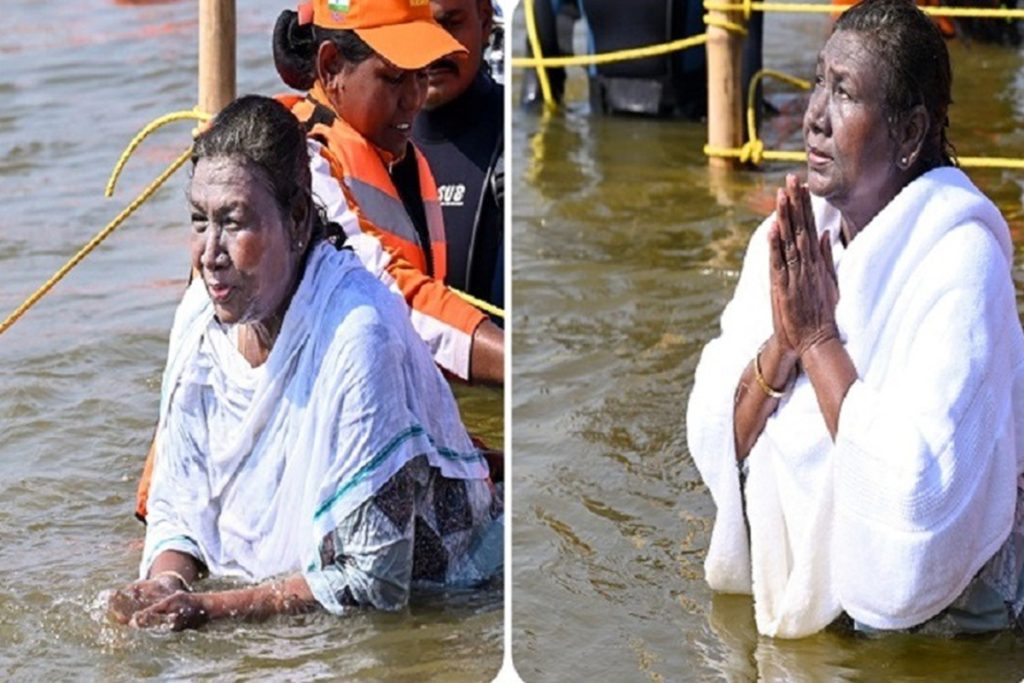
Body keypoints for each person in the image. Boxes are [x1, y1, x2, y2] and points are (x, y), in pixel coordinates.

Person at [687, 0, 1024, 639]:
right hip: (813, 607)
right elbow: (714, 438)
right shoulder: (789, 239)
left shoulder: (962, 262)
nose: (814, 116)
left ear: (908, 133)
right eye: (818, 81)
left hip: (951, 622)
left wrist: (818, 342)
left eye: (844, 94)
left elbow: (919, 503)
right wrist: (782, 348)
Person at [108, 95, 502, 631]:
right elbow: (178, 505)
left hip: (461, 598)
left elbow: (375, 583)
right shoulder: (201, 314)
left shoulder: (358, 334)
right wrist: (166, 583)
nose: (210, 252)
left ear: (296, 219)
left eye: (235, 222)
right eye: (200, 221)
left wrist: (212, 609)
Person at [271, 0, 504, 385]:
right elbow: (392, 297)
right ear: (331, 67)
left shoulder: (402, 160)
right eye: (394, 77)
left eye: (421, 74)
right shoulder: (301, 164)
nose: (414, 98)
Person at [414, 0, 504, 311]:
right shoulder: (364, 138)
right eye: (418, 27)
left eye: (450, 23)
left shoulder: (510, 146)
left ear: (484, 20)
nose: (434, 48)